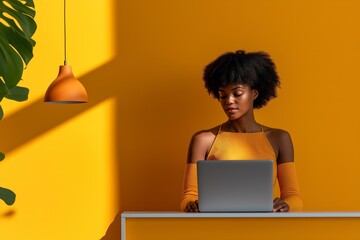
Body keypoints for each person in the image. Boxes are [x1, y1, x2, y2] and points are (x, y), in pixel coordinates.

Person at [180, 50, 303, 212]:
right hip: (215, 229)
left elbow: (294, 197)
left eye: (237, 93)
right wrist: (191, 205)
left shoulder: (279, 138)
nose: (229, 101)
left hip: (263, 229)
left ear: (254, 93)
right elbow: (188, 196)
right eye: (223, 95)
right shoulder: (203, 140)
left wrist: (286, 206)